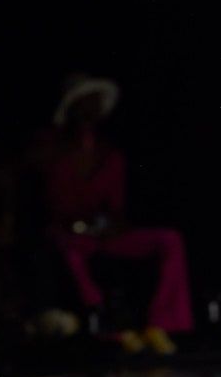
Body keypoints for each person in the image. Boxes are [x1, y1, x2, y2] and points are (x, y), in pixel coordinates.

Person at [39, 73, 195, 355]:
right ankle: (107, 327)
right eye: (84, 105)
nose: (90, 112)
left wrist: (112, 225)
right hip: (67, 234)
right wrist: (73, 226)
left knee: (169, 240)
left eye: (95, 105)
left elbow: (115, 208)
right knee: (69, 251)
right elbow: (48, 203)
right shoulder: (52, 151)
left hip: (100, 233)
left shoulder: (110, 155)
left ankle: (160, 324)